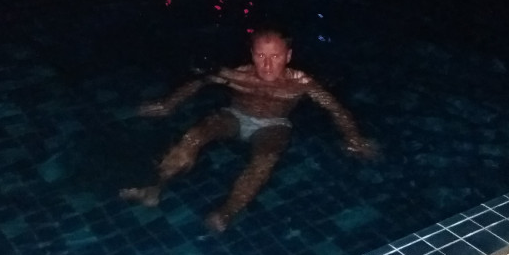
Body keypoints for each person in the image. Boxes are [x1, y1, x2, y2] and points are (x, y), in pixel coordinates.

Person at [119, 26, 375, 232]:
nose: (267, 65)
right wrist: (168, 104)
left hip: (273, 125)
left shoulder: (301, 83)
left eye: (275, 57)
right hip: (235, 116)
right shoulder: (239, 74)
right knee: (194, 134)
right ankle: (154, 188)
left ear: (288, 56)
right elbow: (199, 82)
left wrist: (354, 139)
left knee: (266, 157)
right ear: (252, 54)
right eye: (261, 56)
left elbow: (336, 109)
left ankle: (227, 212)